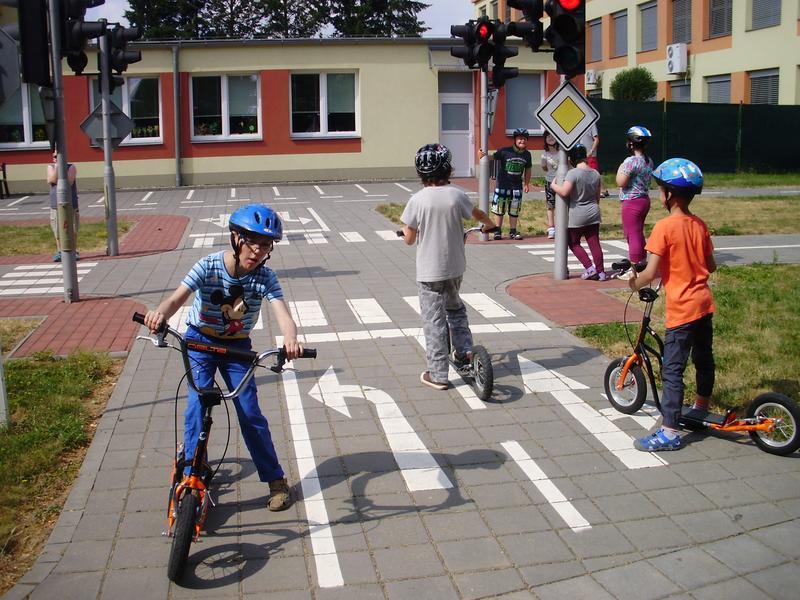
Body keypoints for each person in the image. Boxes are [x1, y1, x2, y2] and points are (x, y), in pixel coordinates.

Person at [143, 204, 303, 511]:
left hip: (237, 348)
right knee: (197, 405)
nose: (258, 251)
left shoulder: (265, 277)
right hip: (200, 343)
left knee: (249, 412)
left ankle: (275, 480)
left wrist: (290, 339)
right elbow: (175, 299)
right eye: (251, 242)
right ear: (235, 238)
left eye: (266, 245)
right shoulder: (209, 265)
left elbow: (283, 314)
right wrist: (158, 315)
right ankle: (190, 474)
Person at [628, 158, 716, 452]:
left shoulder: (664, 227)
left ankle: (669, 432)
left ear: (669, 195)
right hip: (704, 304)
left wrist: (634, 283)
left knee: (672, 370)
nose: (659, 193)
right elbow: (711, 265)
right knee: (703, 358)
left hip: (682, 310)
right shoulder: (699, 225)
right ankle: (701, 405)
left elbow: (650, 273)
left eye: (660, 189)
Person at [399, 143, 497, 390]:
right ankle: (464, 353)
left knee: (434, 321)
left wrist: (404, 231)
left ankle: (438, 374)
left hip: (429, 272)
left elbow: (409, 239)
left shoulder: (417, 200)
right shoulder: (457, 194)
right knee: (455, 309)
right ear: (448, 169)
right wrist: (489, 224)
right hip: (455, 269)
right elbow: (477, 214)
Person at [549, 144, 606, 281]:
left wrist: (553, 185)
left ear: (572, 159)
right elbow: (597, 197)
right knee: (594, 243)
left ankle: (589, 268)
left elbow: (564, 192)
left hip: (578, 214)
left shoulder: (573, 173)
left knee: (573, 242)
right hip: (594, 212)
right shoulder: (595, 173)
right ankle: (601, 272)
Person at [480, 127, 532, 241]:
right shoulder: (505, 151)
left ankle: (513, 231)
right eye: (520, 138)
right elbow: (493, 157)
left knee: (514, 209)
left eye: (524, 139)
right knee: (499, 208)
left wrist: (527, 184)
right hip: (503, 185)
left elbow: (528, 170)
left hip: (517, 186)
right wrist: (483, 155)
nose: (522, 141)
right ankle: (497, 230)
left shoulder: (527, 155)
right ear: (515, 140)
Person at [616, 126, 654, 263]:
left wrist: (620, 167)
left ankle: (635, 266)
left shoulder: (631, 161)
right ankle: (642, 262)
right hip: (644, 200)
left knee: (632, 235)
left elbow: (620, 182)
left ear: (631, 143)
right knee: (638, 232)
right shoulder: (648, 160)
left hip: (631, 201)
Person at [47, 150, 79, 263]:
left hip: (70, 203)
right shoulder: (51, 167)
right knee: (57, 228)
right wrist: (57, 167)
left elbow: (69, 181)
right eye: (54, 157)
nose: (56, 158)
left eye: (58, 156)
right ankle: (60, 251)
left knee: (72, 228)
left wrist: (62, 168)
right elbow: (52, 179)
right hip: (55, 204)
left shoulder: (71, 167)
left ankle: (73, 250)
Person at [540, 133, 559, 239]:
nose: (551, 138)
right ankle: (551, 228)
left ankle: (564, 227)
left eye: (553, 136)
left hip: (563, 182)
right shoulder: (545, 155)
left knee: (564, 205)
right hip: (549, 182)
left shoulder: (563, 152)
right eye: (548, 136)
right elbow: (544, 167)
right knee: (550, 205)